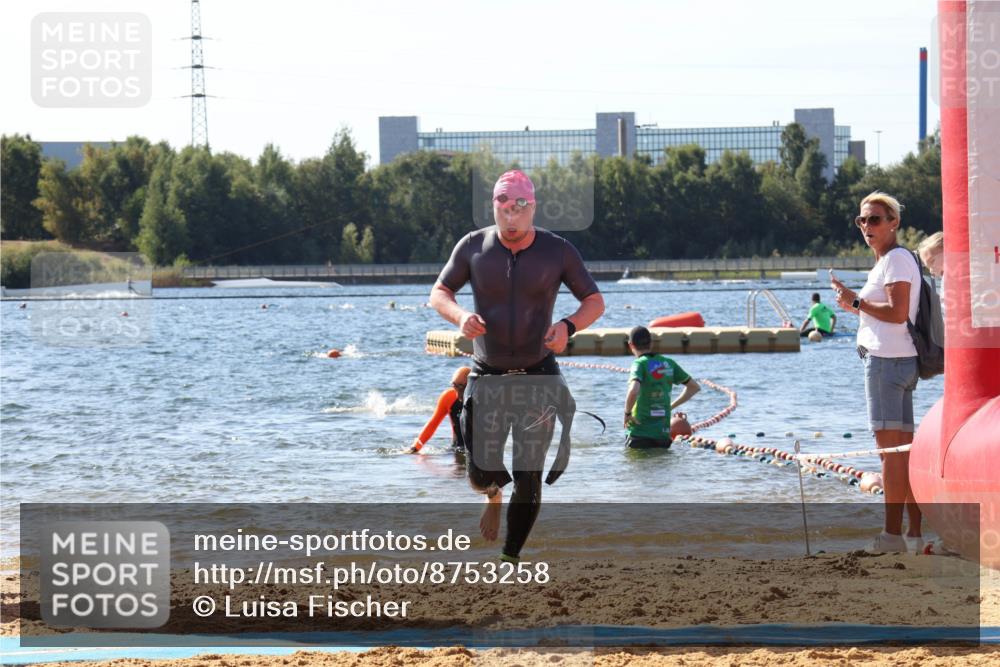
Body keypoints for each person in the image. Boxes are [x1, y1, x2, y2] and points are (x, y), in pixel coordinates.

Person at [429, 169, 605, 562]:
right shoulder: (473, 247)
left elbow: (594, 301)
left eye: (520, 206)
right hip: (487, 374)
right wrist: (459, 317)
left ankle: (510, 557)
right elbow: (439, 292)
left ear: (533, 208)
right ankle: (493, 495)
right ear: (494, 206)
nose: (511, 215)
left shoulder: (557, 250)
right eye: (503, 206)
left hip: (538, 375)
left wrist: (568, 325)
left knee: (530, 478)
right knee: (479, 472)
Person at [830, 192, 923, 554]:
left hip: (887, 364)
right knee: (902, 453)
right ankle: (913, 534)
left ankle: (891, 537)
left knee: (890, 454)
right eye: (862, 220)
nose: (866, 226)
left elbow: (898, 313)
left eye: (875, 219)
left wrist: (855, 301)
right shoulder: (892, 260)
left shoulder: (896, 260)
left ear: (894, 222)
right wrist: (856, 307)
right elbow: (889, 314)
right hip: (899, 360)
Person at [623, 326, 700, 448]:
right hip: (662, 434)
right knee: (661, 464)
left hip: (639, 433)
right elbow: (694, 387)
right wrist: (670, 406)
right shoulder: (668, 363)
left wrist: (627, 414)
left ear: (631, 345)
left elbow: (633, 390)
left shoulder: (639, 363)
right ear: (651, 343)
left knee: (636, 465)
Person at [409, 367, 470, 453]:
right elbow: (433, 423)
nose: (458, 392)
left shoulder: (483, 397)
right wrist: (415, 447)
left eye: (461, 387)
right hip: (458, 449)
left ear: (471, 384)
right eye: (454, 385)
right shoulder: (448, 397)